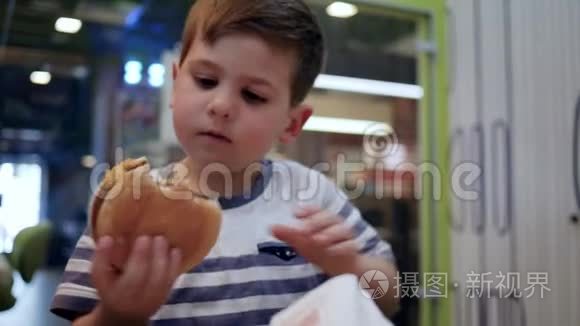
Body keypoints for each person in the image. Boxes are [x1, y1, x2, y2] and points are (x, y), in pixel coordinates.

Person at [50, 0, 400, 324]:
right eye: (205, 80)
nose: (221, 105)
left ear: (291, 124)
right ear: (175, 86)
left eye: (253, 95)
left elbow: (391, 294)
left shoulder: (314, 196)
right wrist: (116, 314)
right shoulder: (124, 206)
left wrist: (349, 266)